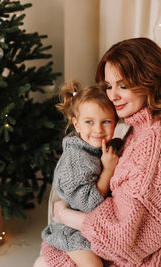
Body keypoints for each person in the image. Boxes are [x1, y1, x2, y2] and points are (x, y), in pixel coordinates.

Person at [34, 37, 161, 266]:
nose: (112, 95)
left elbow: (122, 240)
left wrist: (66, 216)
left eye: (123, 86)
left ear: (150, 82)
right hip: (156, 243)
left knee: (50, 256)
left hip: (154, 257)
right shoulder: (153, 125)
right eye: (108, 86)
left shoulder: (155, 144)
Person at [40, 80, 119, 267]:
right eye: (89, 122)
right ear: (76, 124)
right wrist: (108, 170)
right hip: (70, 230)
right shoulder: (76, 159)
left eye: (106, 121)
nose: (98, 130)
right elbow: (88, 204)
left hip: (88, 226)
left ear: (116, 122)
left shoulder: (97, 148)